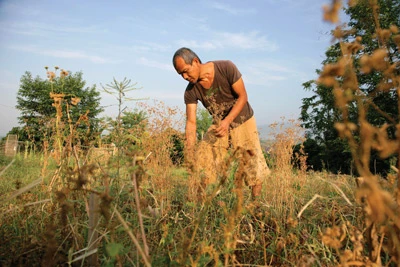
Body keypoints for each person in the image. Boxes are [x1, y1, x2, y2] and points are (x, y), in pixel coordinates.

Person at [172, 47, 270, 198]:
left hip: (243, 119)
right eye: (180, 74)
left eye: (186, 71)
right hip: (219, 124)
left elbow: (243, 96)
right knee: (203, 162)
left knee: (252, 165)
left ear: (196, 62)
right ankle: (200, 205)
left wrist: (227, 121)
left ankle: (255, 205)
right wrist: (190, 150)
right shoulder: (190, 91)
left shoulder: (226, 67)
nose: (184, 76)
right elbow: (191, 123)